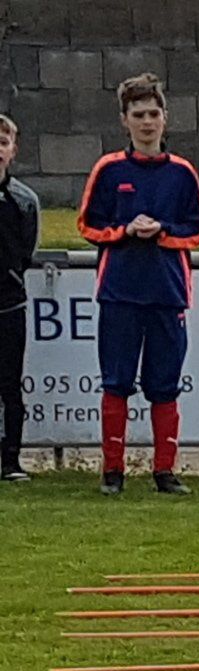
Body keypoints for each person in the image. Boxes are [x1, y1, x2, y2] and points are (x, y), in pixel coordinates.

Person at [77, 72, 199, 497]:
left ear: (165, 118)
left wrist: (164, 231)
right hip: (120, 292)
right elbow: (87, 225)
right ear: (125, 120)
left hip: (168, 293)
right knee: (116, 382)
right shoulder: (109, 169)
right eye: (138, 115)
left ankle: (164, 471)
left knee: (164, 384)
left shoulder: (183, 173)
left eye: (153, 114)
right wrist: (124, 231)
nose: (147, 122)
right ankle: (112, 471)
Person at [0, 113, 38, 482]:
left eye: (3, 142)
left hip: (9, 305)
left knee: (10, 385)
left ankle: (10, 460)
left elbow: (27, 250)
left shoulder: (24, 200)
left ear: (13, 150)